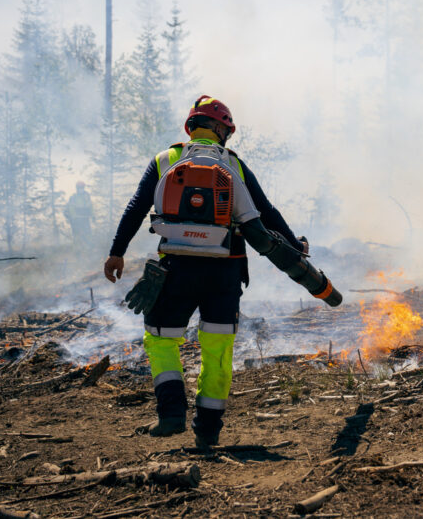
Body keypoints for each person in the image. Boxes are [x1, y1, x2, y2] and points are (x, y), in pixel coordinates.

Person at [103, 95, 340, 447]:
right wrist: (295, 245)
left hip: (174, 270)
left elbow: (137, 206)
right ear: (220, 130)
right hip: (225, 273)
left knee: (161, 340)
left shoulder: (164, 160)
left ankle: (170, 415)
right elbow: (266, 213)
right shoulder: (234, 165)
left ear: (191, 127)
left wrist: (116, 253)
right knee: (218, 348)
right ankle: (208, 430)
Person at [64, 181, 93, 246]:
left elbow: (90, 206)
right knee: (77, 235)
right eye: (79, 187)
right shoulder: (73, 197)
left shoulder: (87, 196)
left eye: (82, 187)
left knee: (88, 233)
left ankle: (89, 247)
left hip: (85, 218)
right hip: (77, 219)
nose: (81, 189)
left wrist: (93, 216)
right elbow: (71, 208)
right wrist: (74, 218)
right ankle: (78, 249)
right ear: (77, 188)